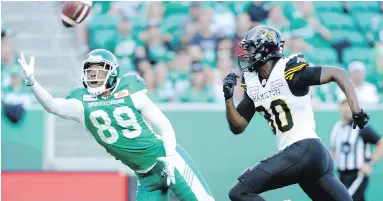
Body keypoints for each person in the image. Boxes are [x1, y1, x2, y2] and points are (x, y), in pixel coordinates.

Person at [18, 49, 214, 201]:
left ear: (112, 73)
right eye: (90, 71)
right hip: (146, 178)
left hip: (169, 162)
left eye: (99, 71)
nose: (94, 76)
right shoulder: (81, 104)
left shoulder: (130, 91)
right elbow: (53, 105)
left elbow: (165, 126)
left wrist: (170, 157)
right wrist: (32, 83)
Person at [223, 25, 369, 201]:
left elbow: (339, 73)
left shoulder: (288, 71)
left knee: (239, 191)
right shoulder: (253, 83)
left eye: (251, 48)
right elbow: (238, 126)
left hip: (303, 148)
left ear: (266, 48)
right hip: (311, 157)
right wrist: (228, 98)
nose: (246, 53)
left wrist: (357, 111)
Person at [330, 99, 383, 201]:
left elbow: (381, 142)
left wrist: (370, 163)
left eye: (349, 105)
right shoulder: (336, 128)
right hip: (341, 174)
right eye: (344, 105)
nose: (347, 109)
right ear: (340, 107)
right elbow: (334, 151)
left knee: (346, 199)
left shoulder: (361, 127)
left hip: (357, 174)